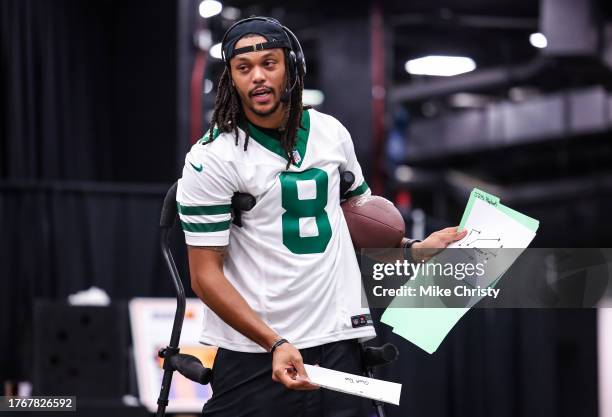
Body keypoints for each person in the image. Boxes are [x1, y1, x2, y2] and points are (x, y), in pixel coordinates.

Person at [176, 16, 466, 417]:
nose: (257, 77)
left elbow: (356, 220)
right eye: (244, 69)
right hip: (256, 350)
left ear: (292, 67)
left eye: (269, 64)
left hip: (341, 342)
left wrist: (411, 249)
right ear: (231, 79)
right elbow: (204, 276)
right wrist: (274, 343)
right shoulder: (211, 159)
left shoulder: (331, 133)